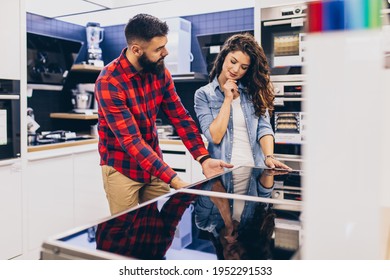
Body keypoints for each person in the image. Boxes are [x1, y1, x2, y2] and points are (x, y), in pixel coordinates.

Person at [94, 14, 233, 215]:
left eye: (165, 45)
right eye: (159, 49)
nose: (165, 52)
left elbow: (180, 117)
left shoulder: (160, 72)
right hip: (122, 168)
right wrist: (175, 180)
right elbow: (131, 141)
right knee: (126, 237)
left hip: (153, 166)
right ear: (136, 50)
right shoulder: (109, 82)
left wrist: (203, 158)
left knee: (157, 233)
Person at [194, 33, 291, 169]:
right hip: (222, 171)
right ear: (223, 57)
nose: (236, 70)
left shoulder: (253, 91)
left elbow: (264, 128)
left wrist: (269, 156)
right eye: (233, 62)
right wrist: (228, 99)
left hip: (255, 169)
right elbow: (214, 136)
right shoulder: (203, 94)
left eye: (243, 67)